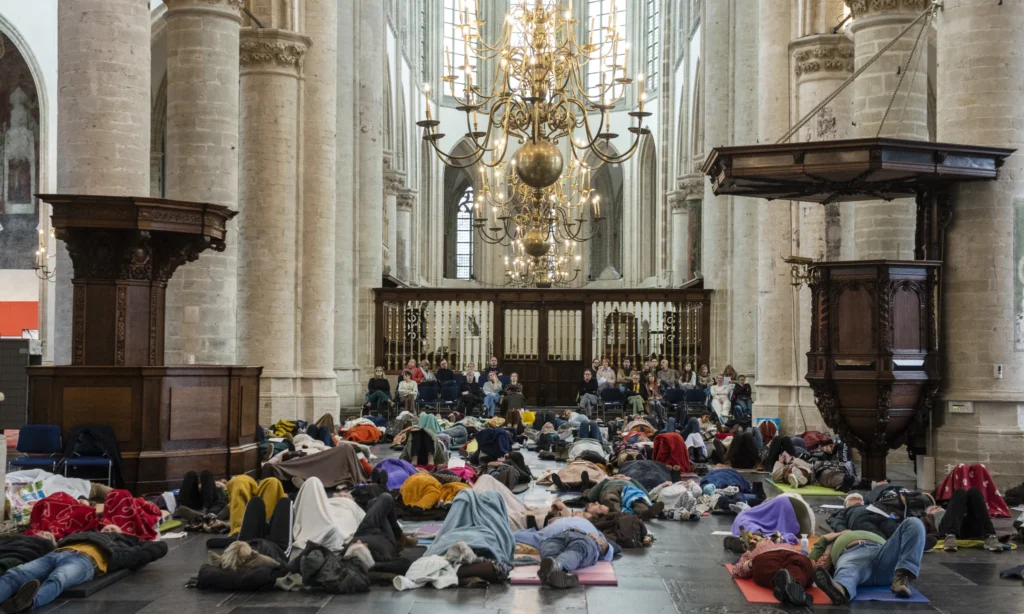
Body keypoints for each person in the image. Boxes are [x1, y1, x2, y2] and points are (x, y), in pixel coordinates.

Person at [0, 529, 168, 612]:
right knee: (15, 574)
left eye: (113, 529)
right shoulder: (83, 533)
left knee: (59, 578)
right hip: (56, 553)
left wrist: (146, 542)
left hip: (85, 561)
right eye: (107, 528)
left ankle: (27, 603)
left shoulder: (124, 546)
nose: (109, 529)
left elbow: (158, 548)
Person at [810, 517, 927, 604]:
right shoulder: (833, 539)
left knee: (913, 522)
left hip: (882, 554)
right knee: (848, 570)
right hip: (853, 554)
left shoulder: (876, 529)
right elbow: (810, 560)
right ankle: (840, 589)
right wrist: (824, 539)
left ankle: (902, 575)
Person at [515, 516, 615, 589]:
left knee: (579, 548)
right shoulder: (544, 530)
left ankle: (557, 566)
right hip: (554, 538)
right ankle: (556, 571)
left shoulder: (589, 526)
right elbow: (517, 535)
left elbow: (608, 553)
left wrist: (604, 545)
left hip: (583, 537)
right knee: (548, 550)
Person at [934, 487, 1001, 553]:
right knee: (960, 492)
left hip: (965, 526)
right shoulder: (933, 516)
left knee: (974, 491)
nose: (935, 508)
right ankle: (950, 535)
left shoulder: (951, 509)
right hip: (948, 528)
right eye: (932, 508)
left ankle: (990, 535)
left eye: (936, 507)